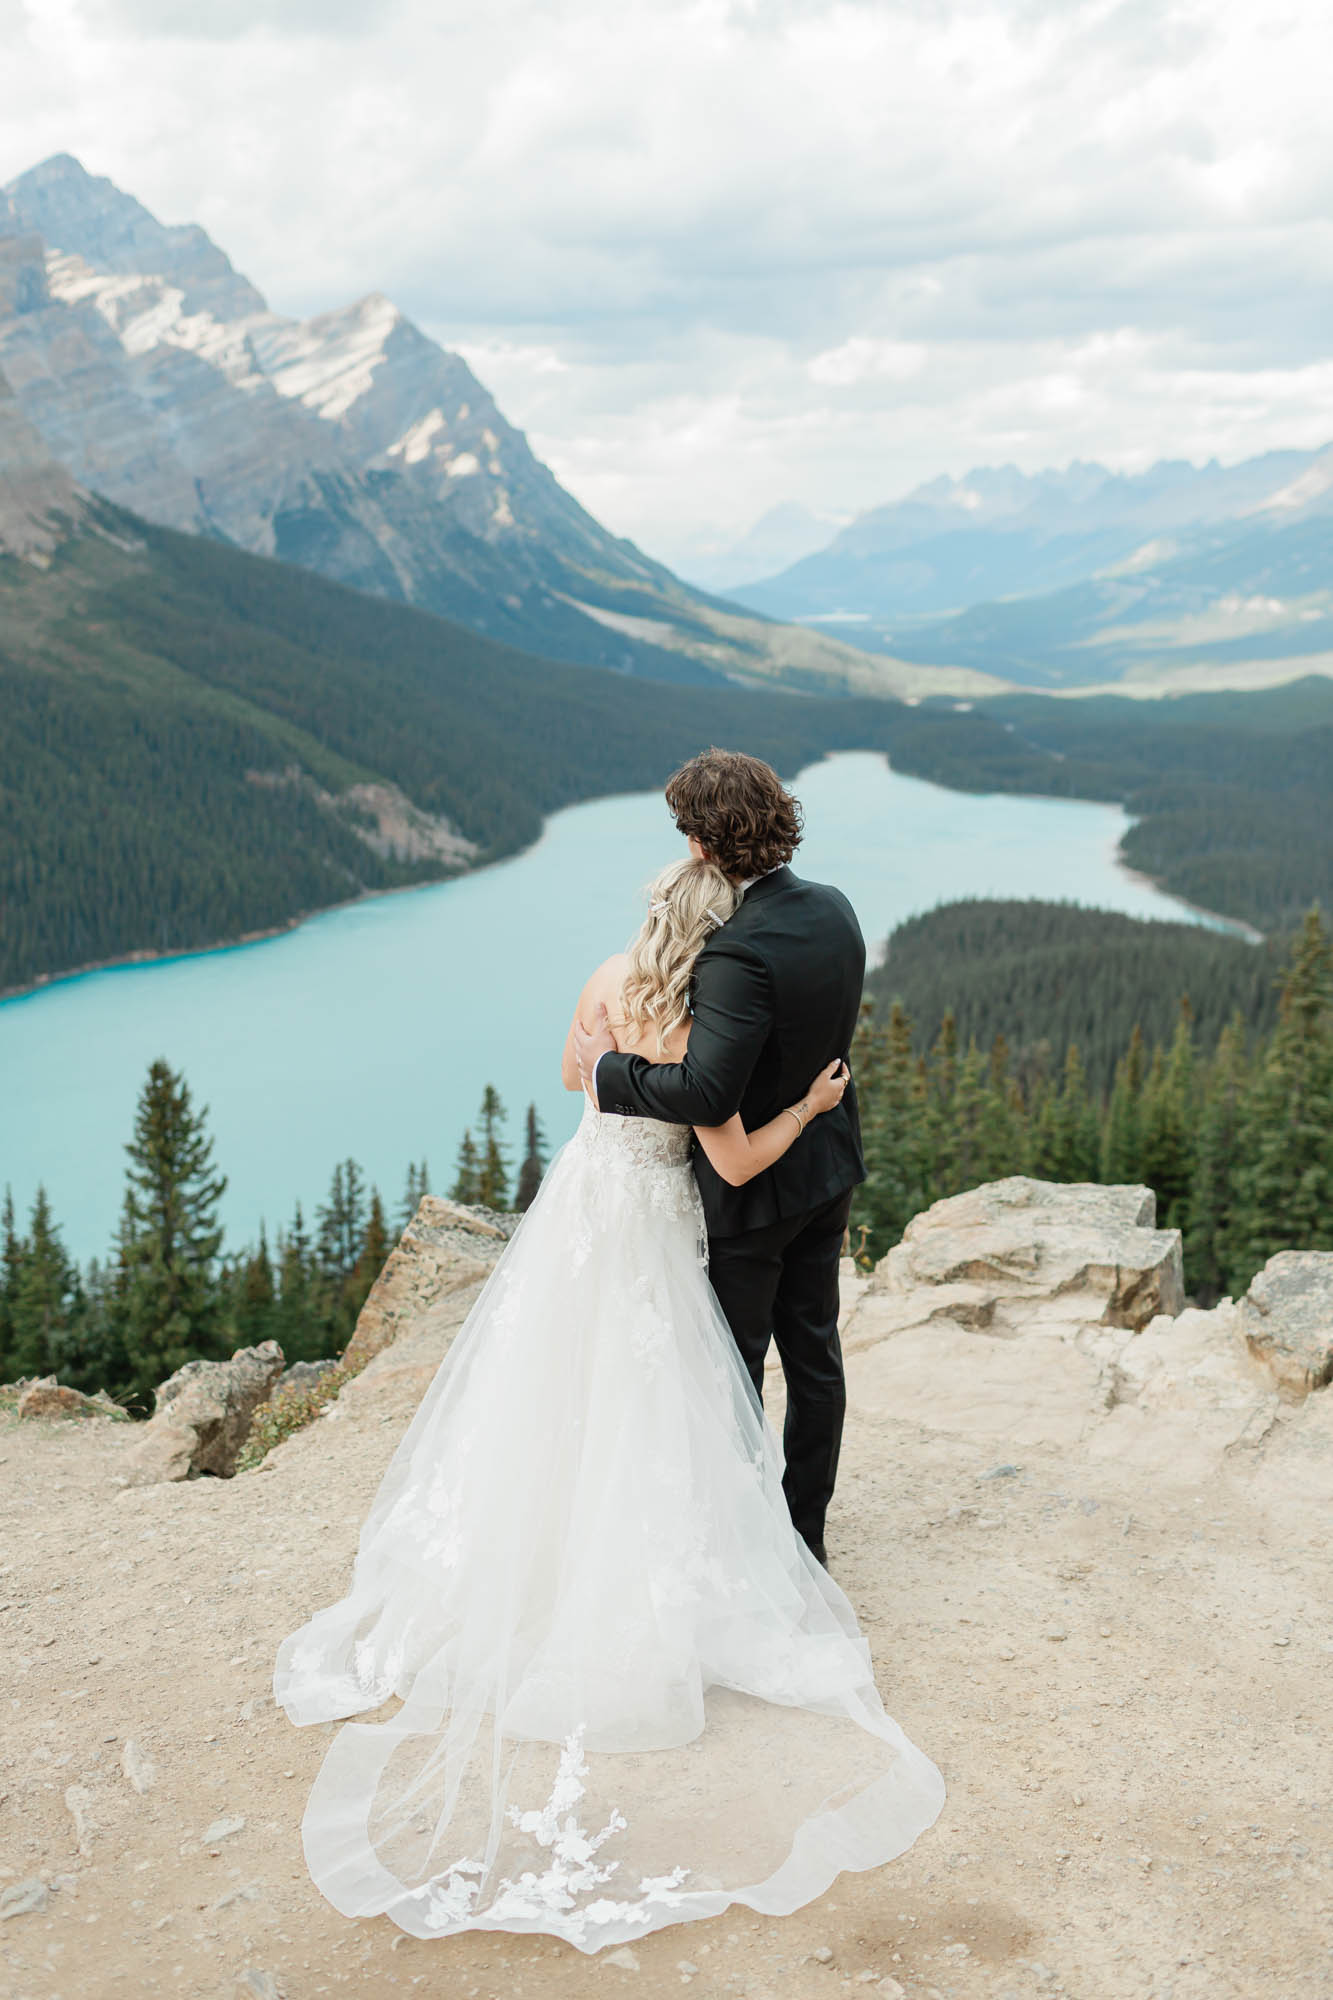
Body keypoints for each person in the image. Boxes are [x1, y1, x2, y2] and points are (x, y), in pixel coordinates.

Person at [274, 839, 943, 1955]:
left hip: (579, 1209)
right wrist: (818, 1099)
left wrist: (604, 1066)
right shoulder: (693, 1017)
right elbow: (729, 1162)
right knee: (664, 1397)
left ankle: (526, 1555)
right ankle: (706, 1558)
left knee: (556, 1389)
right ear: (710, 934)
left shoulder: (603, 974)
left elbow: (572, 1071)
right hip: (655, 1231)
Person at [577, 747, 865, 1566]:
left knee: (732, 1373)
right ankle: (803, 1535)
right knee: (814, 1353)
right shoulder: (833, 908)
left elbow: (705, 1094)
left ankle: (742, 1554)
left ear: (701, 844)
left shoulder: (736, 950)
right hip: (827, 1166)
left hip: (752, 1193)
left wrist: (610, 1073)